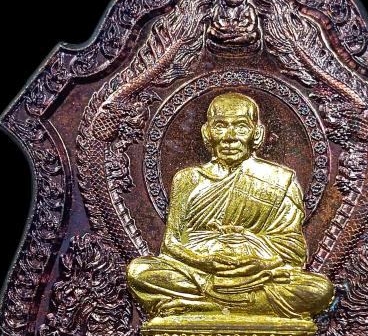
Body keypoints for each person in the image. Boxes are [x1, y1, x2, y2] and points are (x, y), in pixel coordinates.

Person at [127, 92, 334, 320]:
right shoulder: (187, 179)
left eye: (241, 127)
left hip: (257, 276)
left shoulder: (279, 180)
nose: (230, 137)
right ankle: (232, 303)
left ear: (257, 133)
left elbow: (294, 251)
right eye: (220, 127)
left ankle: (201, 305)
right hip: (198, 273)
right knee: (140, 271)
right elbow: (170, 244)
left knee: (319, 290)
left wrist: (254, 252)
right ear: (207, 133)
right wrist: (203, 262)